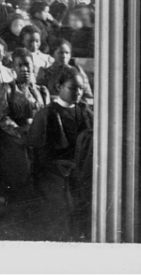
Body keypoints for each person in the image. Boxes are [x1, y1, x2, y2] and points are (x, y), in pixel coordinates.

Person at [27, 67, 93, 240]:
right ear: (58, 87)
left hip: (81, 169)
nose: (78, 92)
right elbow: (40, 152)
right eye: (73, 88)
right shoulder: (47, 114)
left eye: (80, 88)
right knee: (63, 206)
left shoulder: (85, 112)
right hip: (53, 171)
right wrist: (62, 168)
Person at [0, 48, 51, 205]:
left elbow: (46, 115)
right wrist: (20, 132)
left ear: (33, 66)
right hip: (15, 138)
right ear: (14, 68)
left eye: (27, 65)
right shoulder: (7, 89)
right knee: (21, 175)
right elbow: (3, 118)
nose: (24, 69)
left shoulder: (41, 90)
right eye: (20, 65)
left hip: (37, 136)